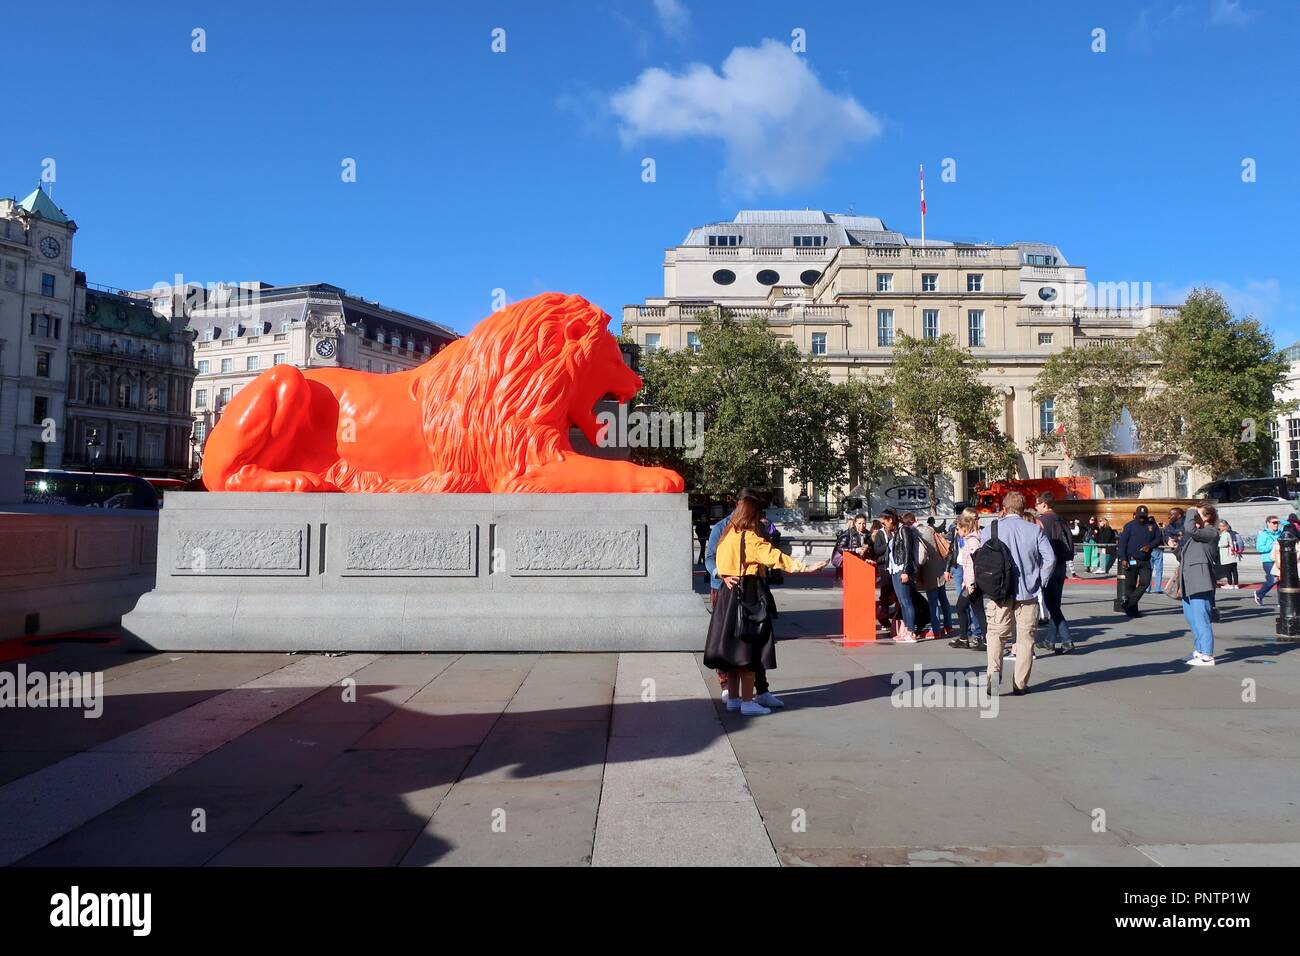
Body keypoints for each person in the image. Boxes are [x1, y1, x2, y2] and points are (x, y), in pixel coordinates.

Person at [705, 495, 828, 714]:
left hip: (728, 594)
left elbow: (718, 561)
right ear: (753, 514)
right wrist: (804, 567)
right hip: (748, 592)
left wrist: (724, 574)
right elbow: (774, 557)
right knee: (750, 648)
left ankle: (733, 699)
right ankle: (748, 702)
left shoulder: (727, 534)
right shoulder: (750, 538)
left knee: (732, 649)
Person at [979, 491, 1056, 695]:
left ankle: (993, 680)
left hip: (999, 592)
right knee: (1025, 639)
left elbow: (982, 559)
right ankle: (1020, 684)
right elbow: (1050, 559)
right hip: (1028, 592)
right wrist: (1040, 579)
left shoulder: (990, 529)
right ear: (1023, 510)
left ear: (1004, 508)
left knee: (996, 635)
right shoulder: (1034, 530)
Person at [705, 492, 779, 703]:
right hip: (725, 587)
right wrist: (721, 574)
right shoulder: (722, 528)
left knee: (754, 640)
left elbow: (765, 553)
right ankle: (728, 687)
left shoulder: (757, 527)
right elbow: (710, 558)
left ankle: (761, 690)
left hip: (752, 588)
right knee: (728, 640)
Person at [1177, 503, 1222, 666]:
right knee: (1192, 618)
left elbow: (1191, 530)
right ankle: (1199, 650)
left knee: (1201, 618)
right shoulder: (1200, 534)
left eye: (1198, 515)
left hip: (1200, 580)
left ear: (1207, 517)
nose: (1194, 517)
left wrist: (1189, 511)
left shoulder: (1210, 532)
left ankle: (1207, 654)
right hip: (1190, 580)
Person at [872, 508, 921, 642]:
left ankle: (911, 632)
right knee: (901, 601)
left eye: (884, 523)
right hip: (893, 569)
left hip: (901, 569)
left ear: (891, 520)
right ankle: (906, 630)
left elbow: (907, 551)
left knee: (906, 601)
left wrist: (905, 571)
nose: (883, 526)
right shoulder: (895, 532)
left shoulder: (904, 530)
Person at [1034, 492, 1074, 652]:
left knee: (1052, 607)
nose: (1036, 507)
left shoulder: (1042, 521)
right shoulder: (1060, 519)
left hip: (1048, 567)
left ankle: (1067, 640)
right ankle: (1050, 640)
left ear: (1044, 504)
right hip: (1061, 566)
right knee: (1055, 604)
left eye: (1037, 504)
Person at [948, 508, 987, 650]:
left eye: (958, 528)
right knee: (976, 610)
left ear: (964, 529)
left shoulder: (972, 541)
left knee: (963, 608)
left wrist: (970, 583)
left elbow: (974, 564)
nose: (957, 531)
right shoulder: (971, 539)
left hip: (972, 583)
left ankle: (974, 638)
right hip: (971, 582)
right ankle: (968, 638)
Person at [1118, 505, 1161, 617]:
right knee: (1130, 586)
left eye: (1144, 516)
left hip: (1145, 560)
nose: (1142, 518)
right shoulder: (1129, 526)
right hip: (1131, 560)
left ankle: (1128, 604)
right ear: (1135, 515)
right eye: (1140, 516)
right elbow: (1122, 544)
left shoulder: (1152, 525)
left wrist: (1150, 546)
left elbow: (1158, 539)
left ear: (1147, 515)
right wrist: (1123, 558)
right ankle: (1133, 611)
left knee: (1145, 583)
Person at [916, 520, 953, 639]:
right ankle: (948, 626)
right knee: (943, 599)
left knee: (933, 602)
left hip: (929, 570)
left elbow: (921, 556)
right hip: (939, 567)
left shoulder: (916, 533)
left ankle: (935, 630)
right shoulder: (930, 529)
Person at [832, 513, 872, 587]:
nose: (862, 526)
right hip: (850, 563)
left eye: (864, 523)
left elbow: (871, 548)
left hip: (863, 564)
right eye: (859, 523)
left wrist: (867, 548)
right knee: (851, 586)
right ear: (855, 523)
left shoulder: (868, 534)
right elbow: (840, 548)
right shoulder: (848, 533)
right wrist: (856, 550)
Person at [1255, 515, 1283, 606]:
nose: (1276, 524)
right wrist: (1272, 546)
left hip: (1279, 560)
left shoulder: (1280, 533)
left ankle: (1281, 602)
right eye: (1274, 522)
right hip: (1268, 560)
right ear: (1268, 523)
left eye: (1277, 523)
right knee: (1273, 580)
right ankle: (1259, 593)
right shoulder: (1264, 534)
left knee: (1281, 581)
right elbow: (1259, 548)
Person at [1217, 520, 1240, 589]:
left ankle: (1229, 584)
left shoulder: (1225, 534)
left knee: (1228, 571)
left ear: (1224, 526)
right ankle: (1236, 584)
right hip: (1233, 555)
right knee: (1234, 571)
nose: (1219, 527)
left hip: (1227, 556)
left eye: (1220, 526)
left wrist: (1218, 544)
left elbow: (1223, 544)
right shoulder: (1232, 533)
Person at [1147, 520, 1165, 594]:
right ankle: (1158, 588)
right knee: (1159, 570)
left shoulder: (1145, 529)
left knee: (1149, 570)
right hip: (1157, 549)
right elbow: (1161, 538)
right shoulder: (1158, 529)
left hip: (1149, 550)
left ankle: (1148, 588)